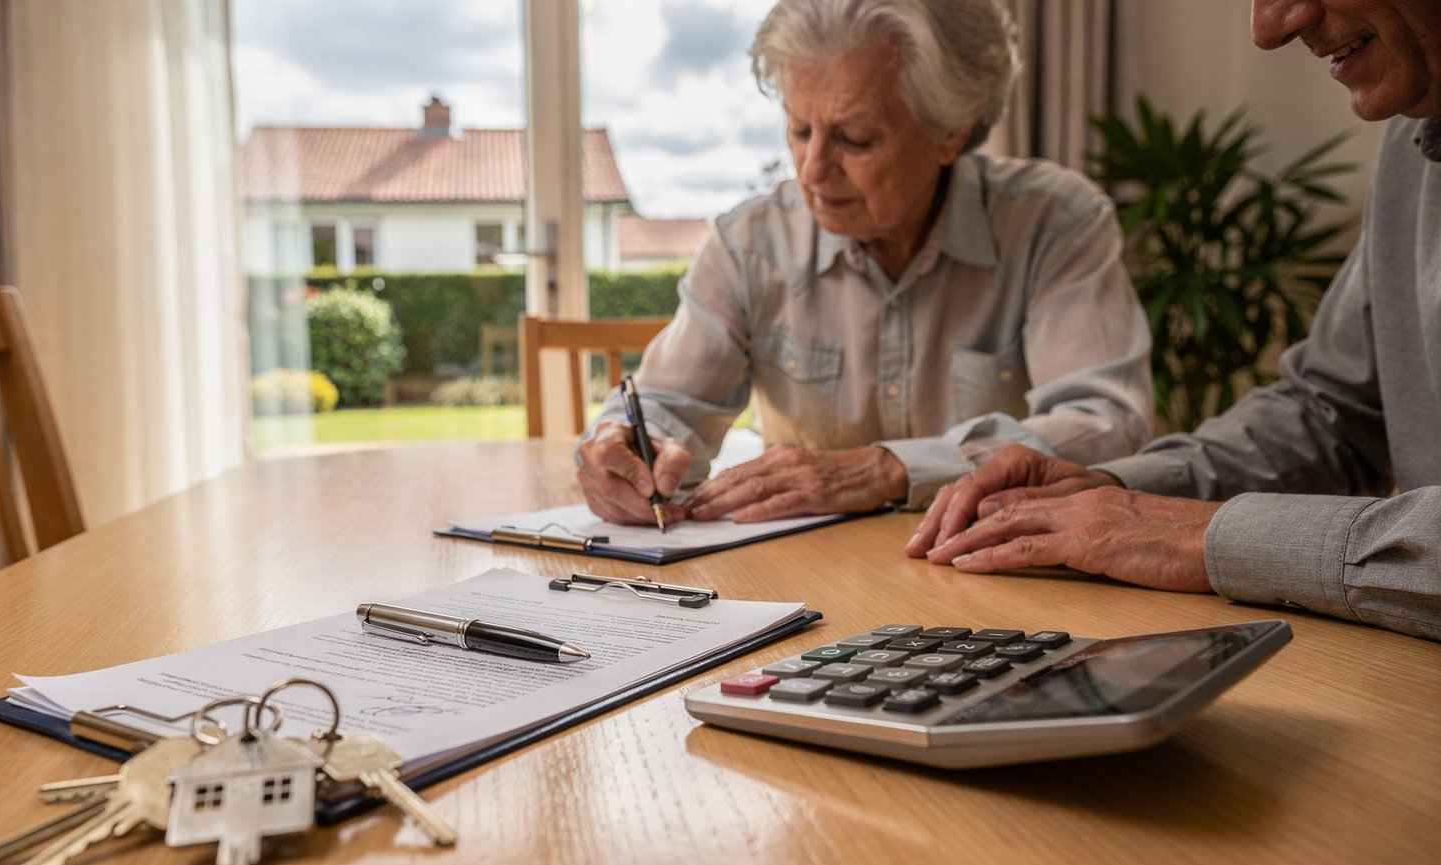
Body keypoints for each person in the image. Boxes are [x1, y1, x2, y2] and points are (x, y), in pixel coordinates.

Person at [908, 0, 1441, 641]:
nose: (1270, 27)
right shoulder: (1412, 146)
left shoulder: (1052, 213)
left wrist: (1211, 537)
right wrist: (1115, 491)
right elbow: (1332, 414)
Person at [575, 0, 1155, 527]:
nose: (812, 169)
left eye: (854, 138)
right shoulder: (749, 244)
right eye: (799, 129)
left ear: (952, 132)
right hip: (807, 578)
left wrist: (892, 468)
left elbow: (1106, 423)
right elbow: (666, 407)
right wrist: (626, 448)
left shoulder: (1054, 223)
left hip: (994, 571)